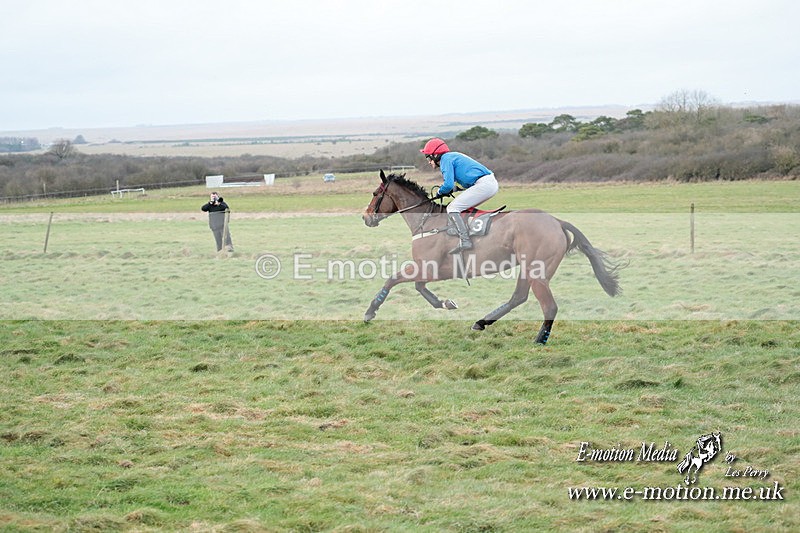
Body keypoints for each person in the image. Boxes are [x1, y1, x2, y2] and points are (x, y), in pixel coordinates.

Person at [420, 138, 499, 254]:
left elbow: (447, 184)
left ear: (435, 155)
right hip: (487, 183)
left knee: (452, 208)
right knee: (461, 207)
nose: (428, 161)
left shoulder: (445, 160)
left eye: (428, 157)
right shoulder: (451, 156)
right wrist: (454, 189)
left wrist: (440, 192)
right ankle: (468, 232)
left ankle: (465, 240)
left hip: (484, 184)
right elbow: (465, 181)